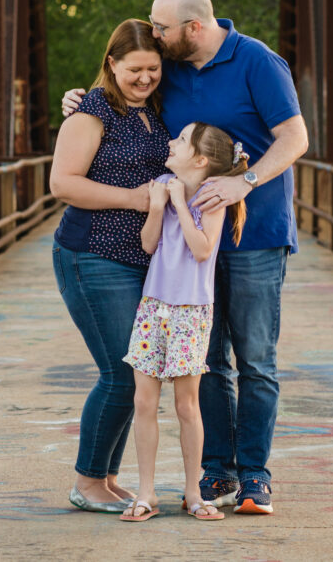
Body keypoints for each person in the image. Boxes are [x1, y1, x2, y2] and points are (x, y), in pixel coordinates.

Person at [62, 0, 309, 515]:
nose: (155, 33)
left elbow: (295, 138)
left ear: (193, 27)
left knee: (256, 360)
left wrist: (247, 182)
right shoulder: (169, 66)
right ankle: (215, 473)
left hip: (255, 233)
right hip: (183, 242)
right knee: (208, 363)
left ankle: (255, 476)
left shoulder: (258, 62)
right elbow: (124, 87)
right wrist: (81, 101)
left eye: (162, 26)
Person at [50, 18, 171, 513]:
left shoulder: (156, 109)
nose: (144, 78)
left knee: (137, 371)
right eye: (134, 70)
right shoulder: (90, 112)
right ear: (111, 64)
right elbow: (63, 183)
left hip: (139, 259)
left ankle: (107, 476)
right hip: (91, 255)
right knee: (121, 372)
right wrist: (133, 199)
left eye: (153, 69)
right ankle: (86, 482)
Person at [119, 122, 248, 523]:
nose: (170, 143)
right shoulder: (161, 183)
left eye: (179, 140)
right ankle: (146, 493)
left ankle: (193, 493)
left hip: (191, 311)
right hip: (153, 305)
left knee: (186, 404)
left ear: (200, 159)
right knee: (144, 400)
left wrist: (178, 205)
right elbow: (148, 244)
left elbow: (203, 249)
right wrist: (158, 206)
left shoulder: (212, 197)